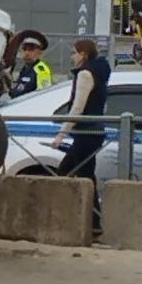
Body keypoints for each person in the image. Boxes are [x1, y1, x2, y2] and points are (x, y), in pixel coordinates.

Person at [53, 37, 112, 232]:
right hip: (94, 131)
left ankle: (93, 223)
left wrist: (62, 133)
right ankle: (92, 222)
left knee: (75, 173)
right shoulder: (100, 73)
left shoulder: (86, 74)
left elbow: (78, 107)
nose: (72, 56)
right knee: (79, 172)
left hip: (86, 132)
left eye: (74, 52)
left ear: (83, 55)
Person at [10, 34, 53, 99]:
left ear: (39, 53)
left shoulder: (41, 70)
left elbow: (43, 96)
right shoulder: (26, 68)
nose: (27, 53)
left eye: (31, 50)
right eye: (25, 49)